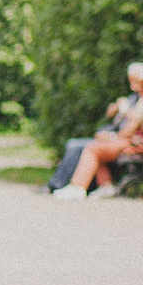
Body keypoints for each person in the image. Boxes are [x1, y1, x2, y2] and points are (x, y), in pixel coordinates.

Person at [50, 61, 143, 200]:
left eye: (134, 82)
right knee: (98, 144)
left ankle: (78, 187)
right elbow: (115, 115)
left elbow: (129, 130)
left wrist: (112, 136)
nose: (132, 86)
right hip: (130, 141)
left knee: (93, 149)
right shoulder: (136, 98)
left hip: (135, 144)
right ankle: (106, 186)